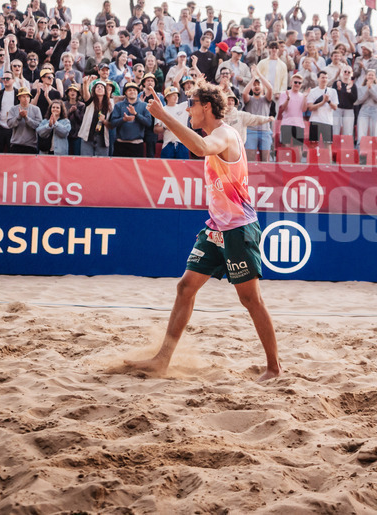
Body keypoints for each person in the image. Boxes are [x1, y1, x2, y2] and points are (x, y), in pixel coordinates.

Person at [125, 80, 281, 381]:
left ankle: (274, 368)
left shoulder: (224, 135)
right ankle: (162, 360)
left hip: (239, 230)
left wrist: (164, 115)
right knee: (185, 287)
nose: (188, 109)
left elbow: (199, 148)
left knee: (251, 300)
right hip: (216, 228)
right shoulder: (215, 134)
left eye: (191, 104)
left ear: (207, 106)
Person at [109, 82, 153, 157]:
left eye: (134, 90)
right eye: (129, 90)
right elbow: (112, 123)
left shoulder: (144, 105)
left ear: (137, 92)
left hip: (137, 144)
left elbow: (148, 123)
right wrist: (123, 119)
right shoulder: (118, 105)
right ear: (125, 92)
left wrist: (136, 114)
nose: (132, 92)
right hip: (120, 144)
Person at [8, 87, 42, 154]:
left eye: (28, 97)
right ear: (19, 98)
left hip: (31, 145)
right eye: (23, 96)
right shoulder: (13, 109)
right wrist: (19, 117)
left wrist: (26, 118)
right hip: (16, 144)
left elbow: (39, 126)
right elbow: (9, 124)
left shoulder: (36, 109)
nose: (26, 99)